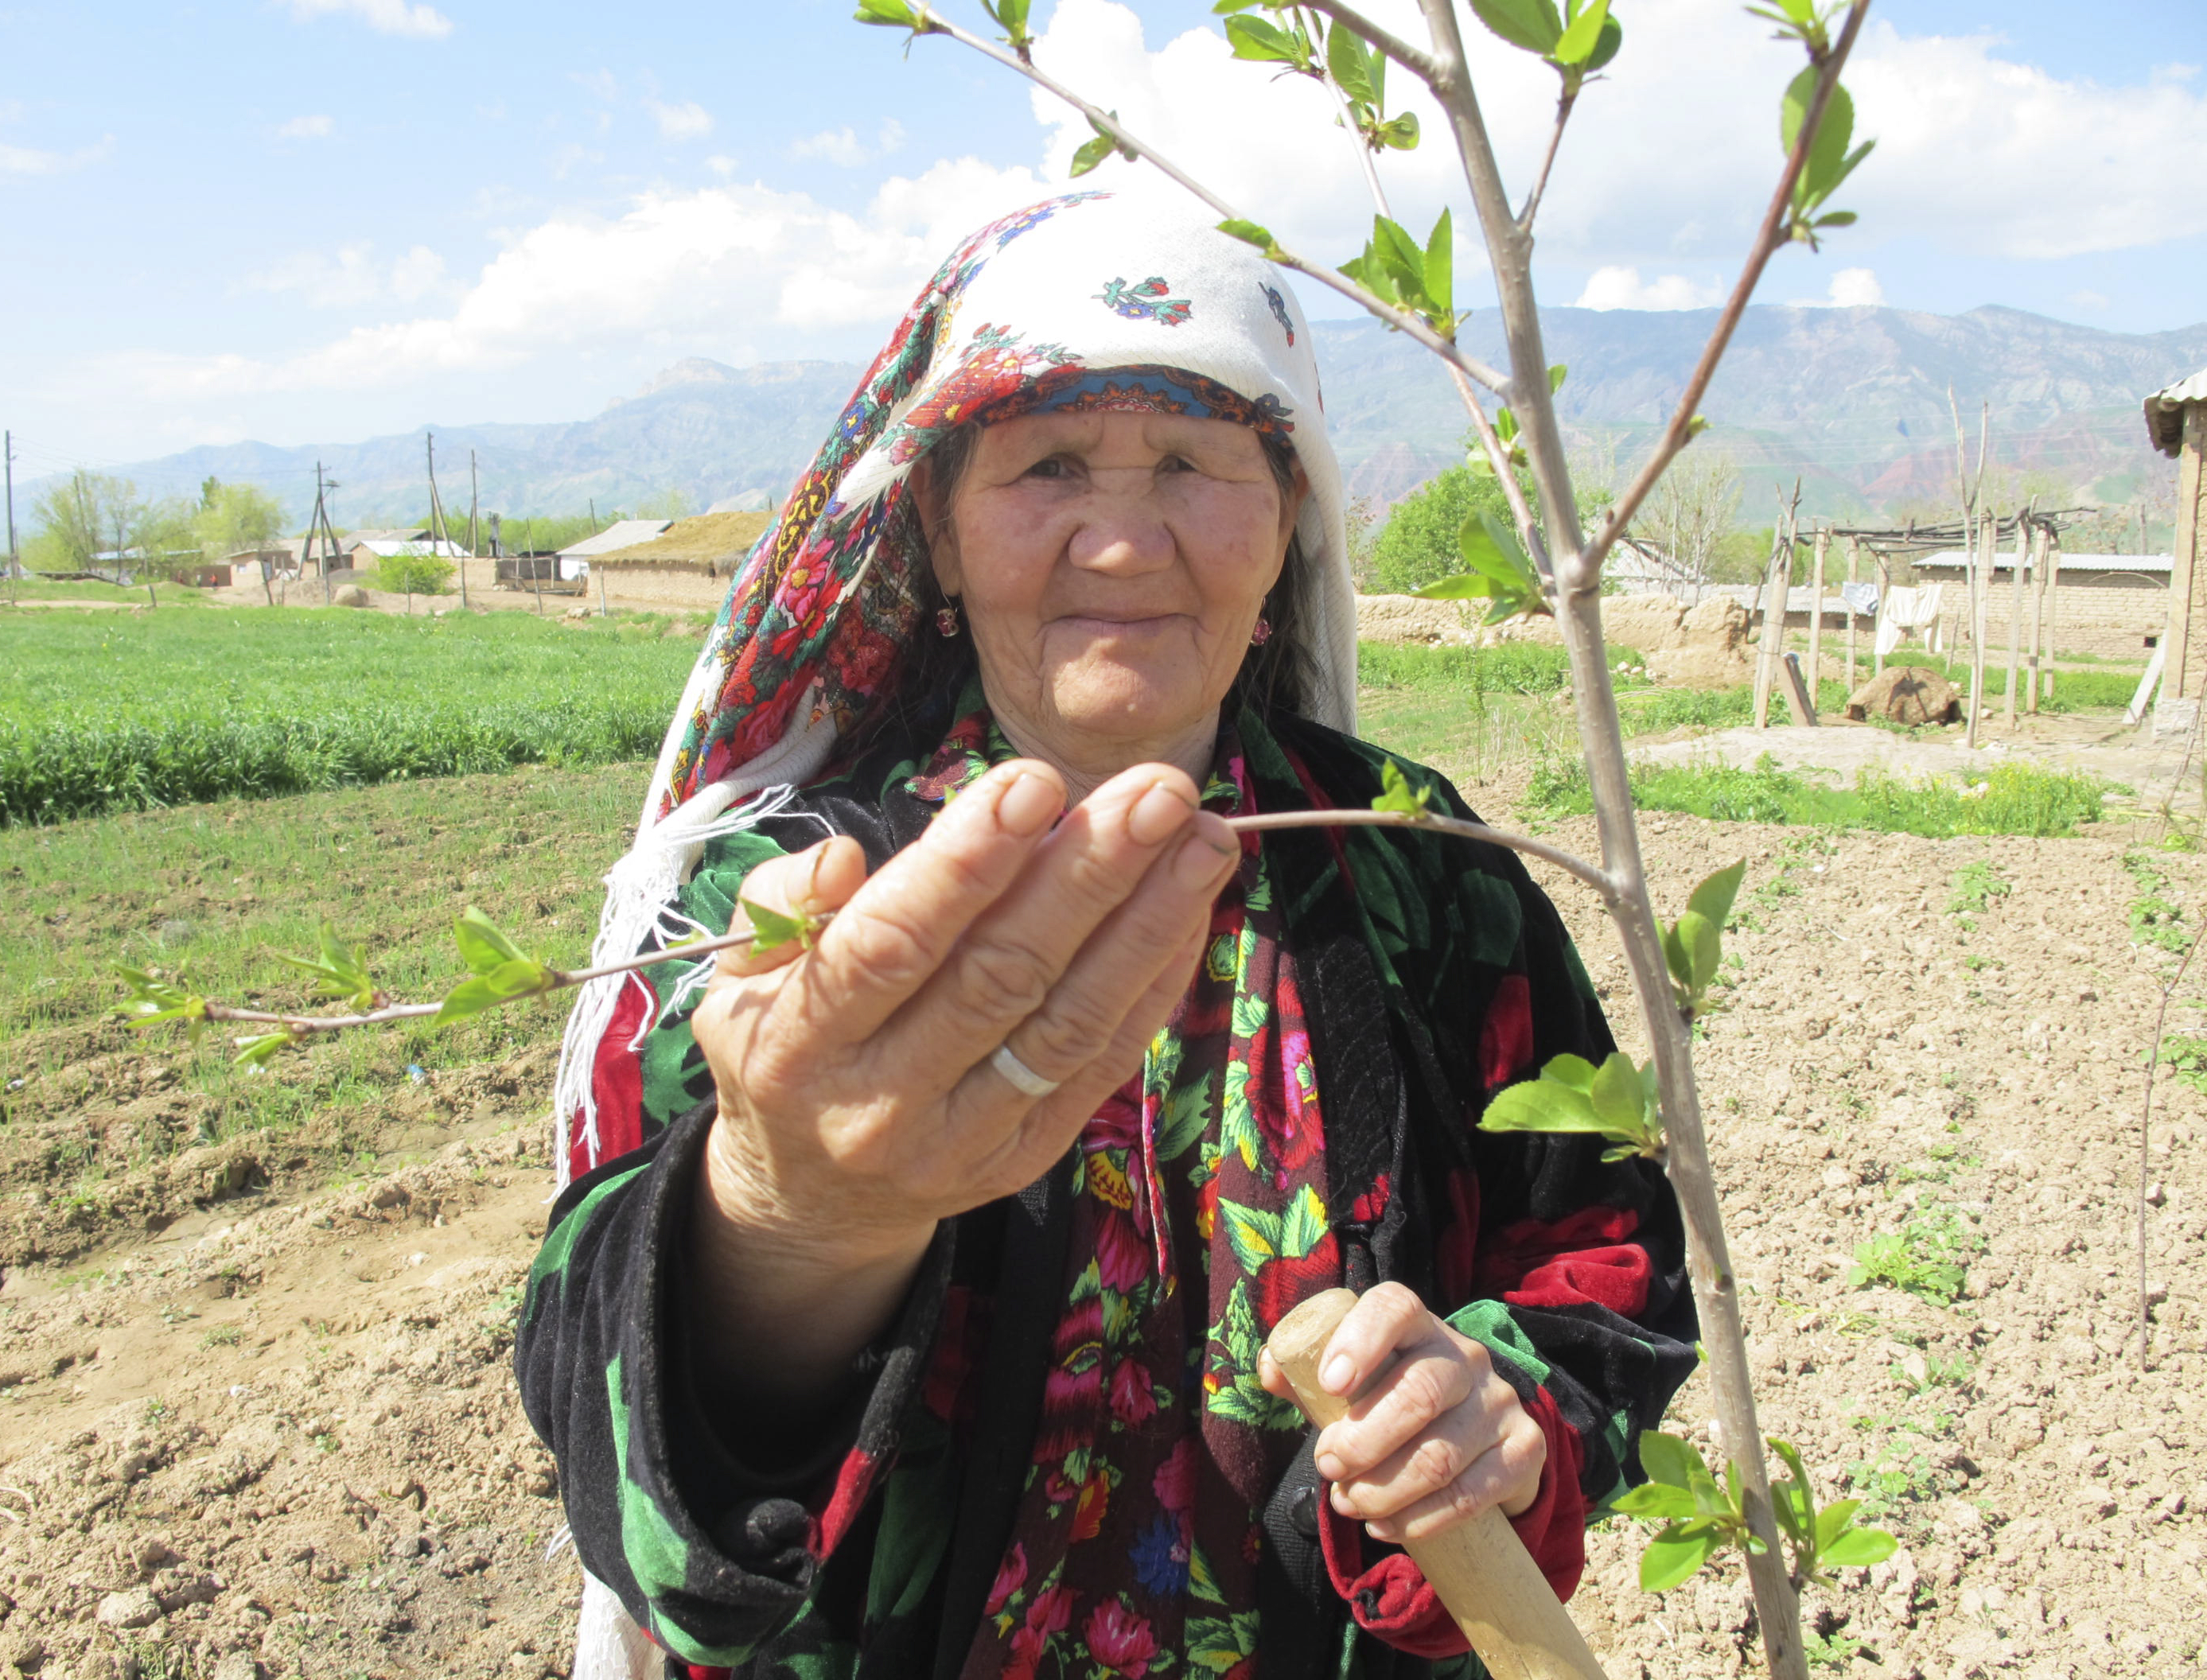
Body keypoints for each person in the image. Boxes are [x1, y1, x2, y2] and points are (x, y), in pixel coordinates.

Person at [517, 192, 1695, 1680]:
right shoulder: (774, 908)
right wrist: (796, 1218)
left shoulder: (1419, 874)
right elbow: (605, 1420)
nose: (1126, 544)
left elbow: (1599, 1240)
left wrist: (1505, 1404)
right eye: (1050, 464)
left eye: (1197, 465)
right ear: (938, 537)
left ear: (1285, 532)